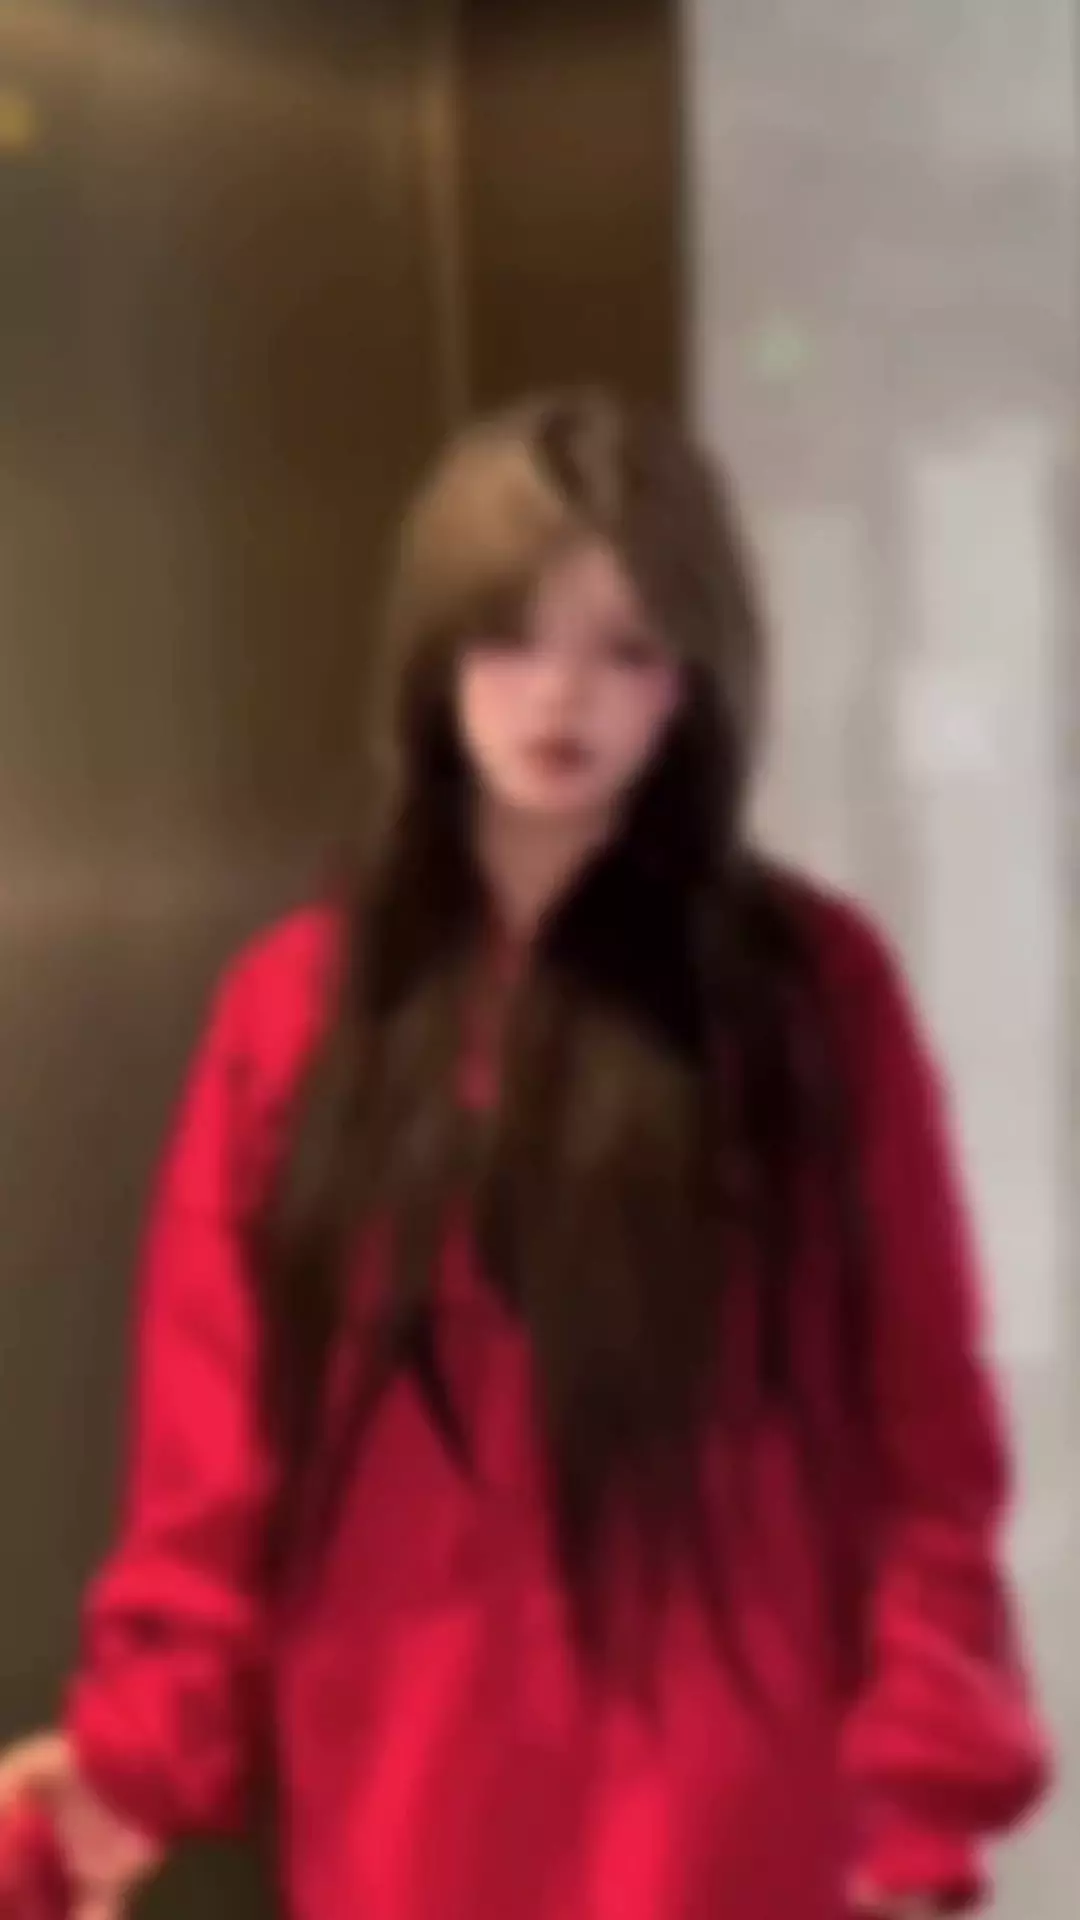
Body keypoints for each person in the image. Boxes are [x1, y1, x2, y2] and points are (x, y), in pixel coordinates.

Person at [0, 392, 1051, 1920]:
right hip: (405, 1804)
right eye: (510, 637)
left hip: (734, 1816)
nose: (563, 697)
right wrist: (127, 1775)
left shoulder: (809, 995)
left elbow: (922, 1438)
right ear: (432, 658)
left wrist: (924, 1814)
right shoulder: (298, 1014)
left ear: (696, 677)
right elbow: (213, 1466)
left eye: (626, 649)